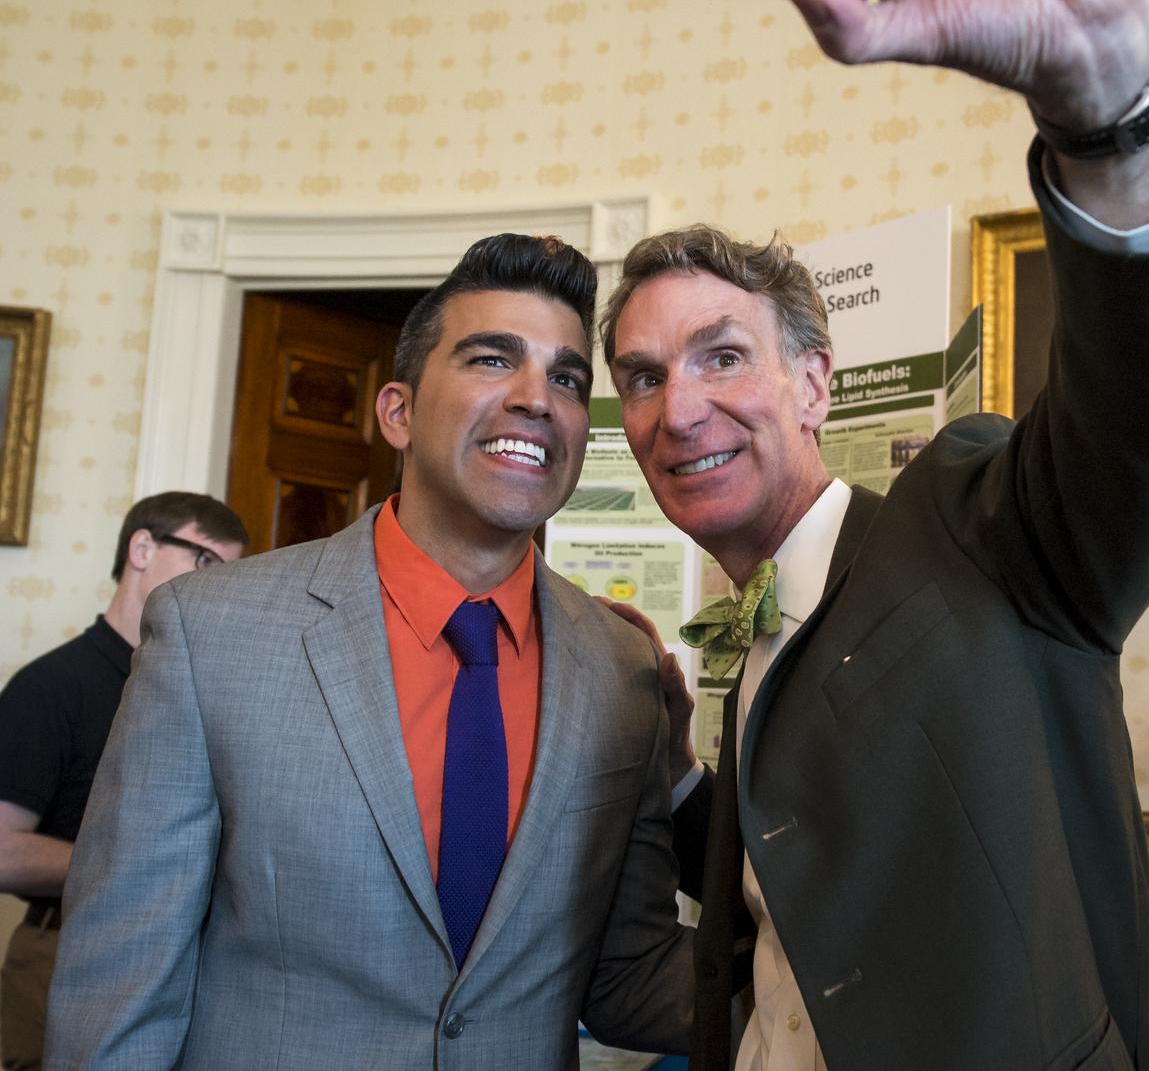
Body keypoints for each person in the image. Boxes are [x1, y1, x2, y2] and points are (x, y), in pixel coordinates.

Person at [600, 0, 1149, 1071]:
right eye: (639, 376)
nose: (675, 407)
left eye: (720, 355)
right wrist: (680, 754)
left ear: (814, 382)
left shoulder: (970, 523)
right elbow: (819, 886)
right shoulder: (743, 657)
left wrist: (1114, 114)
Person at [45, 235, 692, 1070]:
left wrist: (835, 986)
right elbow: (120, 995)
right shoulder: (210, 635)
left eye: (566, 378)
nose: (537, 398)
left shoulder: (620, 668)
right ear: (397, 411)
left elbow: (628, 977)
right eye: (493, 359)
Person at [0, 492, 248, 1071]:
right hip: (61, 949)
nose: (219, 587)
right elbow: (3, 851)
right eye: (206, 562)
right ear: (142, 548)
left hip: (189, 960)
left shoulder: (206, 688)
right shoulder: (52, 685)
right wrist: (142, 862)